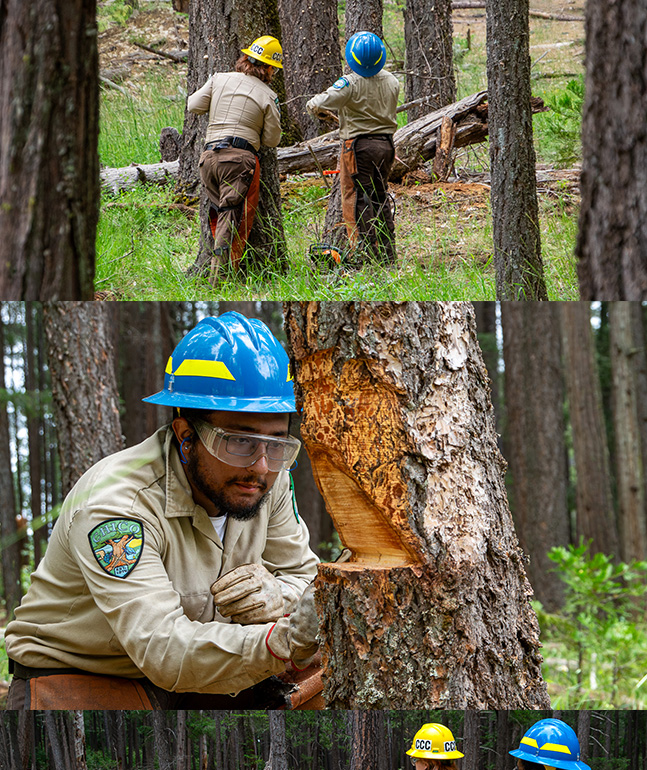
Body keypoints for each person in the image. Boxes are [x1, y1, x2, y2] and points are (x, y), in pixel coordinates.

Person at [5, 311, 320, 711]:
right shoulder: (117, 507)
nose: (260, 467)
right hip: (86, 674)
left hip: (205, 668)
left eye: (276, 445)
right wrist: (283, 640)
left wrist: (281, 596)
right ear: (186, 436)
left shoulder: (265, 480)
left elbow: (304, 577)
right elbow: (163, 647)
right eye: (239, 443)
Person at [187, 36, 283, 283]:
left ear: (246, 58)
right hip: (239, 160)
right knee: (230, 217)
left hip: (208, 158)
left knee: (219, 212)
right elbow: (272, 140)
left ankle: (218, 270)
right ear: (269, 68)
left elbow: (194, 105)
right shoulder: (268, 95)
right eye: (274, 68)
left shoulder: (219, 79)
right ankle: (218, 279)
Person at [307, 31, 400, 264]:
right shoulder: (392, 81)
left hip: (358, 148)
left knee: (357, 199)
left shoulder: (349, 83)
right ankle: (388, 254)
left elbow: (315, 104)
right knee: (379, 198)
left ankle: (364, 256)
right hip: (386, 146)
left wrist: (320, 112)